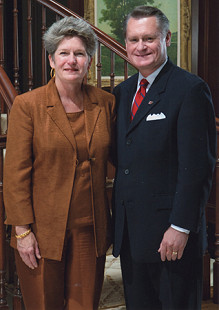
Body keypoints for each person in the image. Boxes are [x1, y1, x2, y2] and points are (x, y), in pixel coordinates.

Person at [3, 16, 116, 310]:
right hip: (41, 231)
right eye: (64, 53)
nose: (72, 61)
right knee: (43, 304)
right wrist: (22, 232)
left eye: (79, 53)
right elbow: (15, 175)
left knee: (85, 305)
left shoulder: (106, 103)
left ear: (89, 60)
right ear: (51, 60)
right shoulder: (28, 105)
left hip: (90, 229)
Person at [112, 5, 216, 310]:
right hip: (131, 234)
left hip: (170, 236)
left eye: (149, 38)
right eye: (133, 39)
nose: (140, 47)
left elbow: (197, 167)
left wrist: (181, 227)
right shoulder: (122, 92)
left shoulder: (191, 90)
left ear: (166, 38)